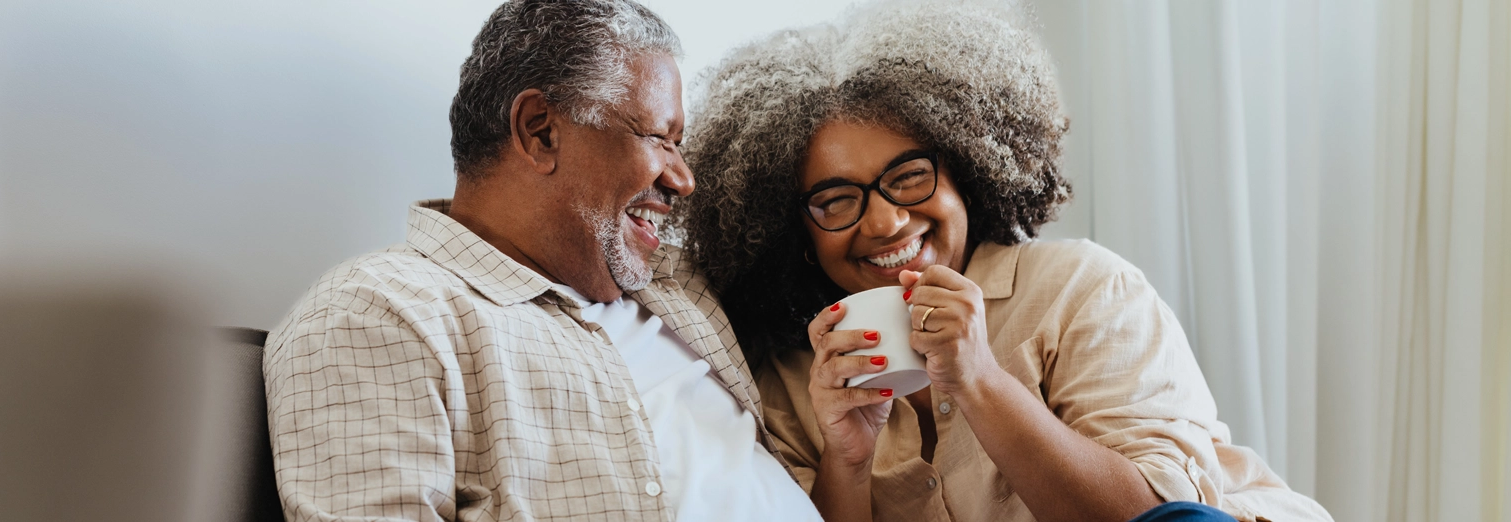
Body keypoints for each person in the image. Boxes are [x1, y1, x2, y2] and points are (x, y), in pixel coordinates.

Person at [674, 1, 1335, 521]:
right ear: (797, 229)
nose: (884, 221)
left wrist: (979, 380)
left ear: (965, 171)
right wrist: (846, 461)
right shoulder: (792, 383)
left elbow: (1158, 518)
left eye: (909, 176)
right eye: (835, 199)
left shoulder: (1081, 290)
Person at [262, 1, 821, 520]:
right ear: (541, 131)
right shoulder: (379, 314)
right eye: (659, 138)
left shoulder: (681, 285)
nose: (683, 179)